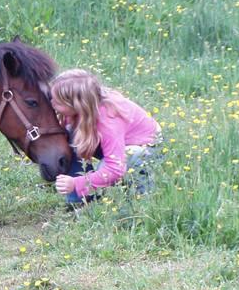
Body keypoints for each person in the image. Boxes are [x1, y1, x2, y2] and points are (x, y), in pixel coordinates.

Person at [49, 69, 162, 205]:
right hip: (119, 144)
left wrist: (76, 183)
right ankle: (79, 200)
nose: (52, 103)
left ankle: (142, 200)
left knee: (121, 160)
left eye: (57, 102)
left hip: (147, 148)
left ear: (77, 104)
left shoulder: (108, 121)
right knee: (68, 135)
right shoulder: (86, 109)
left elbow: (114, 169)